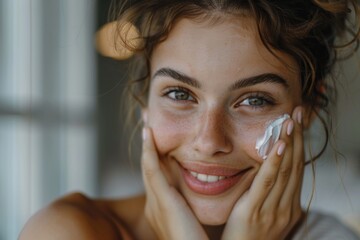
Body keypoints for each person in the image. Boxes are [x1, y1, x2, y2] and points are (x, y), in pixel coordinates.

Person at [19, 0, 360, 239]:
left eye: (254, 100)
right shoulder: (67, 232)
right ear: (145, 101)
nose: (209, 141)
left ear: (310, 106)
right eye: (180, 95)